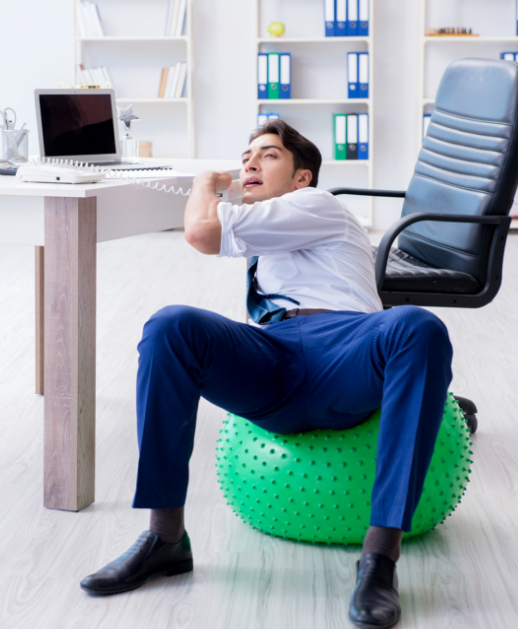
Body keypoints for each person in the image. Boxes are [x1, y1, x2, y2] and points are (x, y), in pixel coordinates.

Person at [80, 120, 453, 629]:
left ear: (302, 178)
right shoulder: (267, 227)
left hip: (344, 350)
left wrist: (203, 184)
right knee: (171, 326)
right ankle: (164, 538)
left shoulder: (315, 203)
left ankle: (379, 560)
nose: (250, 163)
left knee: (417, 326)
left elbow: (201, 232)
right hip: (272, 355)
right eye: (246, 155)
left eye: (268, 155)